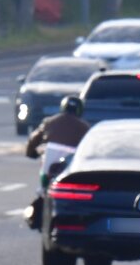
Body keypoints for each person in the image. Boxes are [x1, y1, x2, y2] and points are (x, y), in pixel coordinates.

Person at [25, 96, 91, 228]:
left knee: (44, 188)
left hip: (53, 168)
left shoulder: (49, 122)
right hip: (70, 169)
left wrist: (32, 152)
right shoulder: (85, 127)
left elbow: (33, 140)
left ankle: (42, 199)